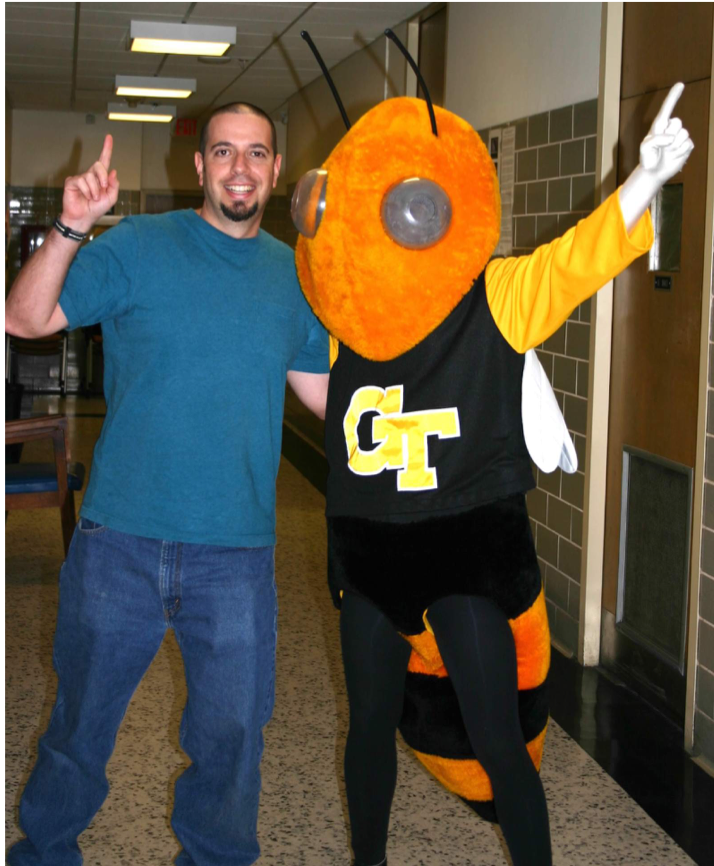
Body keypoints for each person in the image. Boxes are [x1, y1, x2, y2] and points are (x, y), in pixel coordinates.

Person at [291, 78, 693, 866]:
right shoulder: (343, 318)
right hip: (371, 557)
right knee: (368, 725)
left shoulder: (495, 297)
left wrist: (644, 180)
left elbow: (572, 262)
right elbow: (312, 384)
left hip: (462, 557)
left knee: (500, 739)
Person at [5, 102, 330, 866]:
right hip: (118, 540)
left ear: (276, 170)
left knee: (232, 741)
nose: (240, 168)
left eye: (256, 153)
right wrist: (73, 223)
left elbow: (332, 398)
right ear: (200, 166)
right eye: (224, 152)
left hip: (237, 555)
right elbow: (24, 318)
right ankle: (45, 852)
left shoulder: (296, 275)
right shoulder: (139, 247)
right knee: (80, 726)